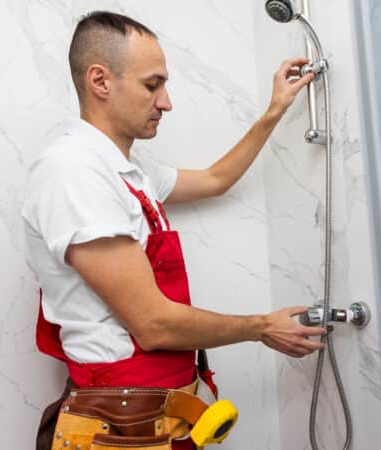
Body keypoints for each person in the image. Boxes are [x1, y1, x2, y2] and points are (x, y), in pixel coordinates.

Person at [21, 11, 325, 450]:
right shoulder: (73, 172)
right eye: (152, 85)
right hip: (119, 425)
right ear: (100, 81)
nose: (166, 102)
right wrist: (262, 327)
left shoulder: (128, 171)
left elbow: (217, 179)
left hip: (158, 414)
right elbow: (153, 325)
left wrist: (274, 111)